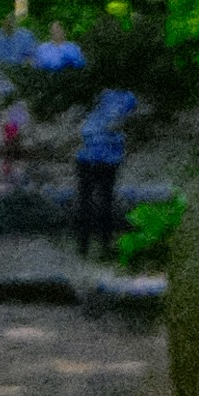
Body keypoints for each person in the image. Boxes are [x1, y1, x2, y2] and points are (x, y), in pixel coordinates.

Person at [71, 78, 142, 267]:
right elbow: (120, 122)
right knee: (103, 201)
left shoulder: (104, 96)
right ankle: (99, 244)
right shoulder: (126, 97)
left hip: (90, 156)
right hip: (106, 157)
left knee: (89, 201)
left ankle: (86, 244)